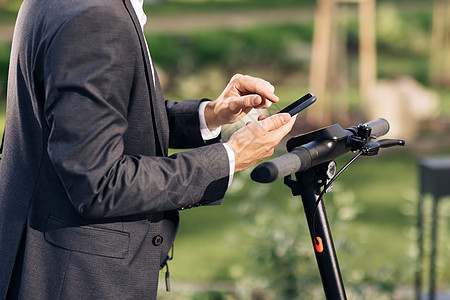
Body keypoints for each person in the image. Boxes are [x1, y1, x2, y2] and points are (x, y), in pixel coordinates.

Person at [0, 0, 296, 299]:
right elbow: (99, 183)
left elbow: (87, 122)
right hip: (77, 277)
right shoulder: (97, 18)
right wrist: (229, 157)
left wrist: (209, 115)